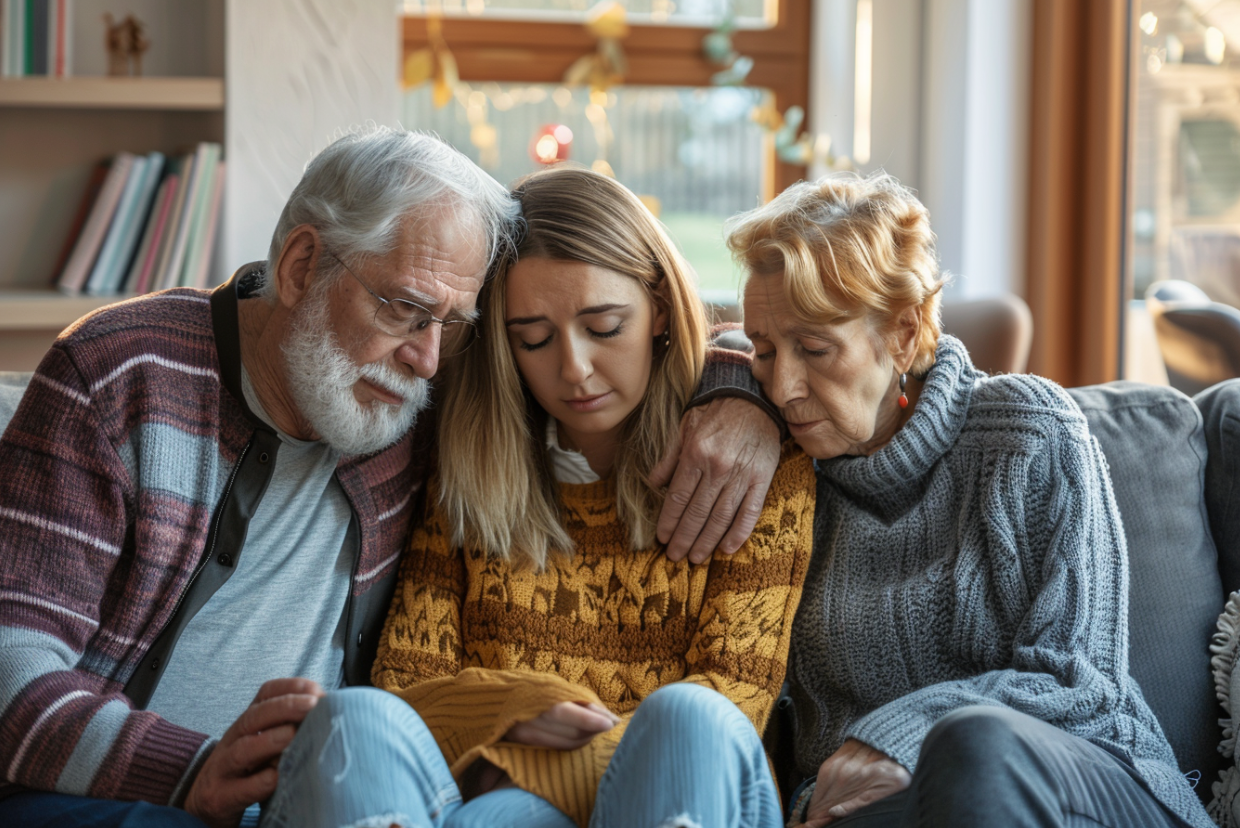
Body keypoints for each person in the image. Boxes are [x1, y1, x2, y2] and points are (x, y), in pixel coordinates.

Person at [0, 129, 782, 828]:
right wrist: (192, 769)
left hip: (317, 788)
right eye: (407, 309)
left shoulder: (406, 391)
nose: (429, 359)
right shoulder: (120, 374)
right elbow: (10, 669)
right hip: (116, 793)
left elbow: (645, 331)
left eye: (453, 325)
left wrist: (741, 388)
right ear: (302, 266)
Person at [256, 165, 817, 828]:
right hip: (480, 803)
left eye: (604, 327)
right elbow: (407, 690)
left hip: (679, 793)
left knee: (688, 716)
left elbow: (735, 703)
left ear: (659, 306)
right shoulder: (468, 468)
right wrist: (513, 708)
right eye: (534, 338)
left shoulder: (753, 461)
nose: (573, 369)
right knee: (355, 718)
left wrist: (511, 769)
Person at [725, 170, 1214, 828]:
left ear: (902, 333)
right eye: (764, 351)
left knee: (974, 743)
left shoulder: (1027, 432)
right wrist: (723, 387)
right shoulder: (786, 471)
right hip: (894, 812)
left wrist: (900, 731)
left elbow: (1080, 682)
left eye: (814, 348)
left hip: (1084, 788)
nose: (782, 386)